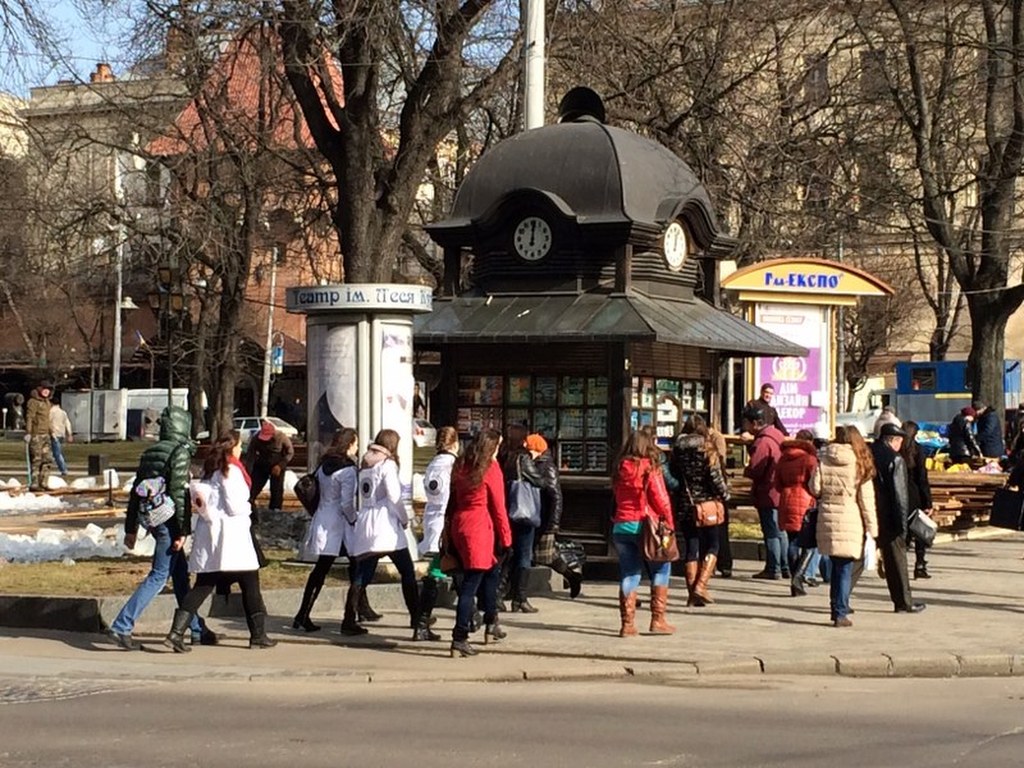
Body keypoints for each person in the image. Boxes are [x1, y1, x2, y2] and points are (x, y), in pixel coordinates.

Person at [108, 406, 213, 650]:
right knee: (159, 575)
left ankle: (196, 628)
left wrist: (131, 528)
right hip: (170, 521)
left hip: (154, 519)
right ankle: (122, 625)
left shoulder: (150, 452)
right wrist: (183, 532)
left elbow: (137, 492)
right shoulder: (179, 452)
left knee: (180, 576)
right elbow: (179, 494)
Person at [164, 430, 276, 652]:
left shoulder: (211, 469)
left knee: (203, 585)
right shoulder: (231, 470)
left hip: (213, 536)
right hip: (232, 538)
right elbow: (235, 506)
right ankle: (258, 635)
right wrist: (249, 508)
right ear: (231, 447)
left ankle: (176, 632)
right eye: (239, 446)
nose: (241, 449)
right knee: (250, 585)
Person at [344, 429, 419, 635]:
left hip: (366, 521)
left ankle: (348, 619)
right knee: (407, 571)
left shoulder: (365, 464)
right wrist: (404, 519)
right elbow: (394, 496)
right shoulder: (387, 465)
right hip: (386, 526)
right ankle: (417, 618)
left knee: (362, 574)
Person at [447, 428, 512, 657]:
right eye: (498, 446)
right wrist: (506, 539)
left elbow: (452, 500)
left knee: (492, 572)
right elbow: (499, 507)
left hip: (460, 524)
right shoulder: (490, 468)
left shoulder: (462, 464)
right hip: (479, 527)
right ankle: (460, 637)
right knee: (471, 584)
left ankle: (492, 622)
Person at [292, 427, 360, 632]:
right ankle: (350, 618)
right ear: (349, 444)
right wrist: (354, 520)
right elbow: (346, 503)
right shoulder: (347, 470)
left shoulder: (324, 465)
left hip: (323, 519)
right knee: (357, 568)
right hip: (341, 525)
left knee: (321, 569)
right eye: (356, 443)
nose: (357, 447)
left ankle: (302, 614)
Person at [811, 425, 878, 627]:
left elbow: (815, 488)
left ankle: (836, 607)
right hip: (850, 518)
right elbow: (866, 501)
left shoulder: (823, 459)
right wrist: (872, 529)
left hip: (827, 516)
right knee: (844, 568)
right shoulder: (860, 463)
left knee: (836, 566)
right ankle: (840, 611)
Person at [612, 428, 676, 636]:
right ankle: (658, 619)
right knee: (661, 568)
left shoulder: (620, 468)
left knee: (629, 573)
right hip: (646, 525)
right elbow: (661, 499)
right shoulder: (650, 468)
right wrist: (670, 524)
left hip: (621, 525)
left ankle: (627, 624)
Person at [669, 416, 729, 607]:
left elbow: (673, 476)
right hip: (707, 504)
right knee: (713, 544)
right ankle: (701, 586)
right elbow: (715, 477)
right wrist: (725, 494)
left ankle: (692, 593)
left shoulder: (677, 450)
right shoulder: (707, 448)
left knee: (691, 545)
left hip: (685, 503)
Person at [410, 426, 459, 642]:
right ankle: (422, 623)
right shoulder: (453, 465)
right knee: (443, 571)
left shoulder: (433, 464)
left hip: (432, 520)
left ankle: (422, 622)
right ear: (455, 444)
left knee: (439, 570)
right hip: (446, 524)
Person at [870, 422, 925, 614]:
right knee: (897, 562)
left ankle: (840, 601)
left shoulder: (869, 453)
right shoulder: (895, 460)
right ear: (894, 440)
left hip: (870, 512)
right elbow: (900, 496)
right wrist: (902, 527)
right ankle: (904, 602)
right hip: (889, 518)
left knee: (858, 559)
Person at [527, 433, 583, 598]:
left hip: (544, 517)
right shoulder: (534, 464)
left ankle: (572, 576)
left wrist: (554, 522)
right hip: (535, 514)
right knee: (541, 554)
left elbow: (555, 495)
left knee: (546, 555)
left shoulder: (546, 466)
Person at [501, 424, 546, 613]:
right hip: (524, 513)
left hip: (509, 510)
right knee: (524, 555)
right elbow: (539, 481)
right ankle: (520, 597)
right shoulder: (524, 458)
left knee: (509, 553)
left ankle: (499, 594)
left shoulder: (507, 456)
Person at [742, 404, 787, 580]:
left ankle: (773, 568)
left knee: (771, 531)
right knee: (780, 531)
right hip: (779, 490)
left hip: (767, 491)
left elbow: (756, 469)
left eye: (746, 423)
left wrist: (747, 470)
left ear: (754, 423)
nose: (745, 426)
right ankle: (785, 566)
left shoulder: (762, 442)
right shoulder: (777, 435)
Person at [775, 429, 819, 597]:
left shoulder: (783, 458)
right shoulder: (809, 459)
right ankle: (798, 577)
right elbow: (814, 483)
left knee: (792, 540)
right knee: (809, 543)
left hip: (786, 499)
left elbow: (777, 484)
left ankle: (795, 579)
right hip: (805, 500)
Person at [900, 421, 934, 580]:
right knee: (920, 529)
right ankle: (920, 563)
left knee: (903, 531)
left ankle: (900, 565)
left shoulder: (897, 450)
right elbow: (922, 478)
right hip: (915, 495)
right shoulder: (918, 450)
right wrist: (928, 501)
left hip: (900, 493)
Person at [245, 418, 295, 513]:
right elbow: (250, 454)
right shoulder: (256, 438)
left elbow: (290, 452)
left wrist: (280, 465)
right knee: (254, 486)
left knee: (276, 488)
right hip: (262, 463)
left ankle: (275, 509)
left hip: (277, 464)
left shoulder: (281, 437)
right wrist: (248, 470)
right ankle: (249, 503)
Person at [25, 380, 54, 490]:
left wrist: (52, 432)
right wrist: (28, 432)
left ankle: (44, 482)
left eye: (48, 390)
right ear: (40, 389)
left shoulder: (47, 403)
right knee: (36, 460)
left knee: (47, 459)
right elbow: (30, 417)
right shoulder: (33, 402)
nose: (46, 391)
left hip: (46, 435)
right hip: (36, 435)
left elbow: (47, 419)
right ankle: (34, 483)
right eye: (44, 389)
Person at [48, 397, 73, 478]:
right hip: (61, 434)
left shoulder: (51, 412)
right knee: (56, 452)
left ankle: (63, 469)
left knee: (57, 453)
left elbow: (48, 423)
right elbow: (67, 423)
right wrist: (69, 434)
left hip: (54, 434)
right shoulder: (63, 412)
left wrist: (51, 433)